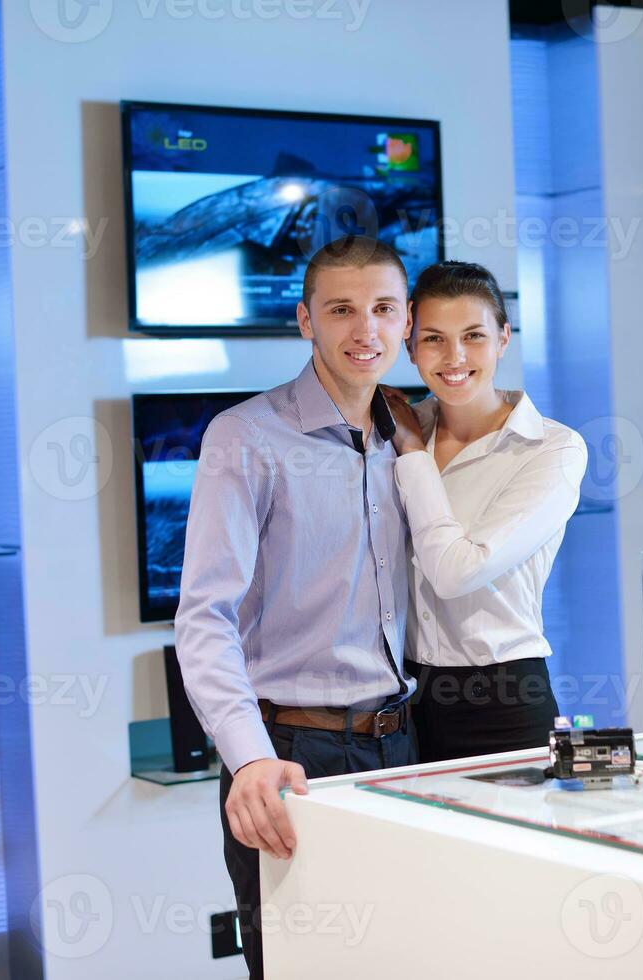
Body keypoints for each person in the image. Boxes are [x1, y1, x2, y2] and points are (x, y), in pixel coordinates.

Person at [174, 237, 417, 980]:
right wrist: (248, 757)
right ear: (305, 319)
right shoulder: (245, 437)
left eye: (382, 309)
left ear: (406, 320)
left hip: (406, 746)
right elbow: (204, 617)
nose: (363, 330)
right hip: (293, 759)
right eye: (341, 310)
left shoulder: (414, 434)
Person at [380, 261, 587, 764]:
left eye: (474, 335)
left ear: (503, 338)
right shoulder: (396, 430)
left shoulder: (552, 449)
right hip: (401, 700)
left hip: (502, 700)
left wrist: (412, 456)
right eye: (433, 339)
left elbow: (457, 572)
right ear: (409, 346)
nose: (455, 357)